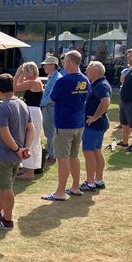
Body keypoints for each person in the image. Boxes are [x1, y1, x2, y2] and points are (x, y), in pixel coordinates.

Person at [0, 74, 33, 230]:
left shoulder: (3, 107)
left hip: (4, 154)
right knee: (6, 185)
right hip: (15, 156)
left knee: (6, 188)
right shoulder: (22, 104)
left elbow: (4, 132)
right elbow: (31, 128)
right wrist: (25, 148)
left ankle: (7, 220)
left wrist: (18, 149)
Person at [42, 50, 90, 202]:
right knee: (73, 157)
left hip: (64, 124)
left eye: (64, 61)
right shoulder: (85, 79)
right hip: (78, 124)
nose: (62, 63)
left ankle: (60, 192)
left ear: (69, 62)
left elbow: (53, 98)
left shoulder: (63, 81)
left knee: (63, 159)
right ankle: (75, 187)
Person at [77, 60, 112, 193]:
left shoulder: (101, 85)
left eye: (88, 69)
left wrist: (96, 116)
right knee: (96, 150)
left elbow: (106, 101)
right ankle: (98, 180)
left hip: (95, 124)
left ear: (95, 71)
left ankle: (90, 182)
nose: (86, 71)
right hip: (98, 124)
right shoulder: (98, 84)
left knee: (89, 152)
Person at [13, 62, 44, 180]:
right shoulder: (34, 81)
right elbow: (19, 85)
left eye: (25, 72)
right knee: (29, 140)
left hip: (33, 112)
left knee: (30, 141)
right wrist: (21, 74)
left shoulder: (34, 82)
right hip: (32, 111)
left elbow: (15, 87)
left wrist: (17, 74)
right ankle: (27, 168)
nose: (23, 74)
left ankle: (30, 171)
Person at [39, 55, 62, 165]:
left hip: (50, 108)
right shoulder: (53, 77)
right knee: (50, 132)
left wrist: (39, 103)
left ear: (53, 65)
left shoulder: (56, 78)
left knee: (50, 132)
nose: (44, 67)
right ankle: (51, 153)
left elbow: (51, 97)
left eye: (46, 64)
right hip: (49, 108)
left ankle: (52, 155)